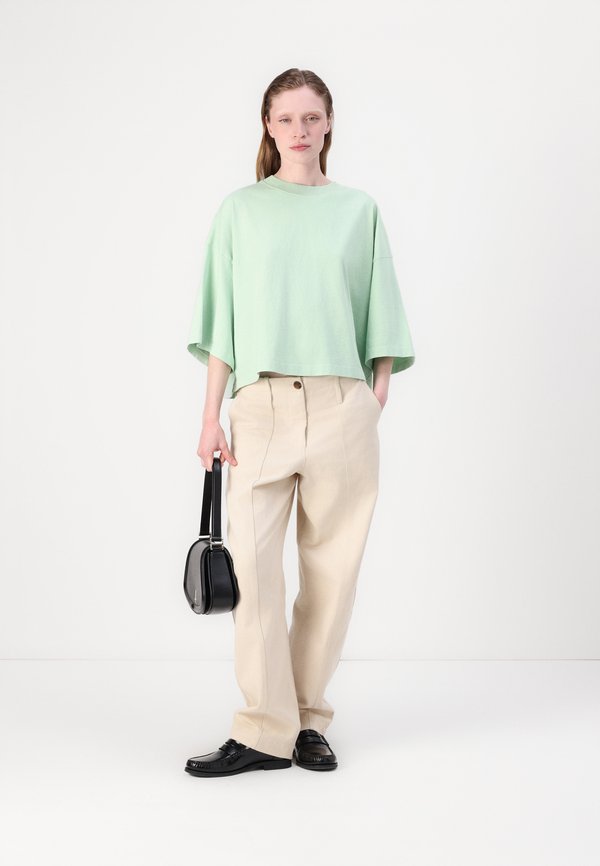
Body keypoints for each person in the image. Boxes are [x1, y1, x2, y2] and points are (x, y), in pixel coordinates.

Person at [184, 68, 415, 778]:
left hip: (343, 405)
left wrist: (374, 393)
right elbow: (221, 323)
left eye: (312, 117)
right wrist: (210, 416)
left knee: (331, 574)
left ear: (329, 123)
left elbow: (381, 307)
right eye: (286, 118)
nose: (300, 130)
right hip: (260, 407)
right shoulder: (240, 211)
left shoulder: (358, 210)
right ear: (268, 126)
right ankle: (264, 729)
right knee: (253, 573)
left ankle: (308, 719)